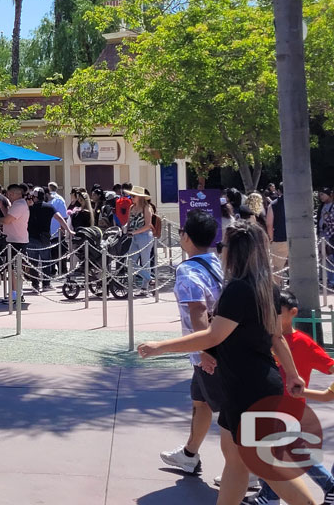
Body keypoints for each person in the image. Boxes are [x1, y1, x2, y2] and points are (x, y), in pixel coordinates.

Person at [138, 221, 317, 505]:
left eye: (224, 247)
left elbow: (212, 336)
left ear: (233, 251)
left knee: (266, 466)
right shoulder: (265, 287)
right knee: (236, 461)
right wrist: (293, 375)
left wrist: (159, 347)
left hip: (250, 391)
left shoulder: (239, 290)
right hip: (247, 387)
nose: (220, 251)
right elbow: (277, 337)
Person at [158, 209, 226, 477]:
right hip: (209, 350)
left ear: (186, 237)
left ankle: (245, 469)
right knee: (201, 402)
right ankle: (189, 455)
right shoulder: (216, 262)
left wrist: (204, 350)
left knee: (230, 415)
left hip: (207, 353)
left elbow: (198, 311)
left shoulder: (187, 270)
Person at [250, 289, 334, 505]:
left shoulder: (303, 343)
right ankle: (269, 495)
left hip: (289, 407)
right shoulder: (265, 338)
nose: (273, 315)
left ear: (293, 312)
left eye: (279, 311)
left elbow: (329, 366)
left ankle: (328, 485)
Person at [0, 184, 30, 282]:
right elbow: (9, 216)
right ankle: (14, 293)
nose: (8, 196)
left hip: (17, 241)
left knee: (15, 269)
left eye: (9, 194)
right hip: (13, 240)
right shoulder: (16, 204)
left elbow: (7, 220)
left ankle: (16, 294)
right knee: (11, 269)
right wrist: (2, 207)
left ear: (13, 194)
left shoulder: (19, 205)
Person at [126, 185, 156, 294]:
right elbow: (129, 222)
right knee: (130, 261)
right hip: (134, 237)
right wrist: (125, 228)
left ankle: (144, 287)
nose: (131, 198)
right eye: (131, 196)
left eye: (133, 196)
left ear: (139, 197)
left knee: (145, 262)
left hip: (145, 236)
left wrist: (134, 232)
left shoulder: (146, 208)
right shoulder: (131, 207)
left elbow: (148, 225)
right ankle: (149, 279)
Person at [265, 182, 287, 272]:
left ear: (278, 191)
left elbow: (269, 224)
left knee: (277, 269)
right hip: (296, 238)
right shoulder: (298, 202)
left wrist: (271, 238)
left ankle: (277, 286)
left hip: (279, 239)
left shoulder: (273, 205)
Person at [317, 188, 334, 287]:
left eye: (323, 194)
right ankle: (322, 278)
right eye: (320, 195)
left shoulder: (332, 206)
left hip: (330, 235)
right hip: (321, 234)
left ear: (329, 195)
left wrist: (327, 218)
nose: (321, 197)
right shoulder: (321, 206)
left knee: (330, 258)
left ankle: (332, 280)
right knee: (321, 257)